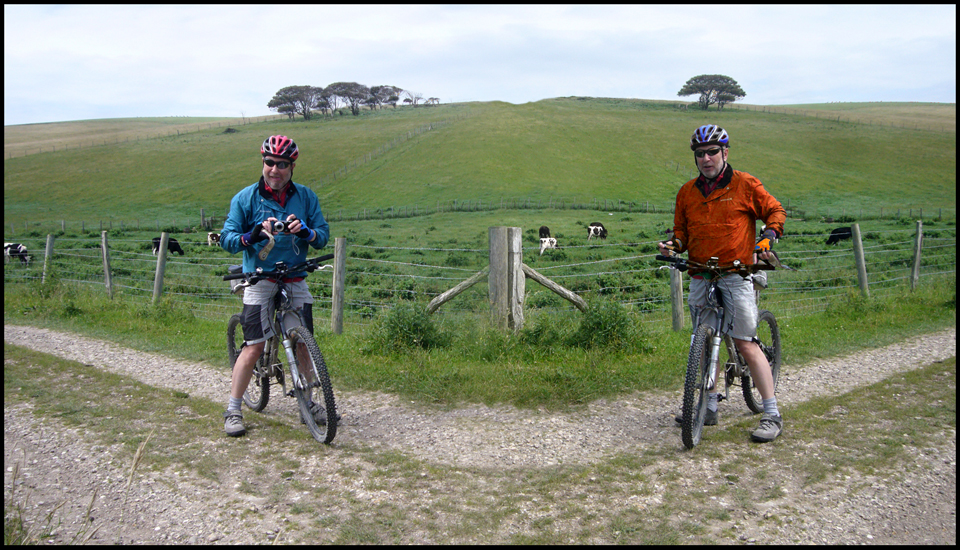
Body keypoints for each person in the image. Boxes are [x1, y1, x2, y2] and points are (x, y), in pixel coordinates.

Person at [658, 124, 786, 443]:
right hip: (702, 274)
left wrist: (768, 237)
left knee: (744, 341)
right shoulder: (687, 192)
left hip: (737, 274)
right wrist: (673, 245)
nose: (706, 158)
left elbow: (775, 211)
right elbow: (682, 233)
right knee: (702, 342)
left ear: (725, 152)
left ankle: (771, 413)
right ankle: (710, 404)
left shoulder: (745, 184)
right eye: (700, 154)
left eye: (712, 151)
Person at [219, 135, 330, 437]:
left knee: (304, 342)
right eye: (270, 163)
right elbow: (228, 239)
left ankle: (308, 402)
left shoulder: (306, 197)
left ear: (292, 167)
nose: (275, 170)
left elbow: (322, 234)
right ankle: (233, 408)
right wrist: (251, 236)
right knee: (254, 347)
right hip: (259, 277)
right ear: (263, 163)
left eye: (282, 164)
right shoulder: (245, 198)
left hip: (294, 275)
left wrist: (306, 232)